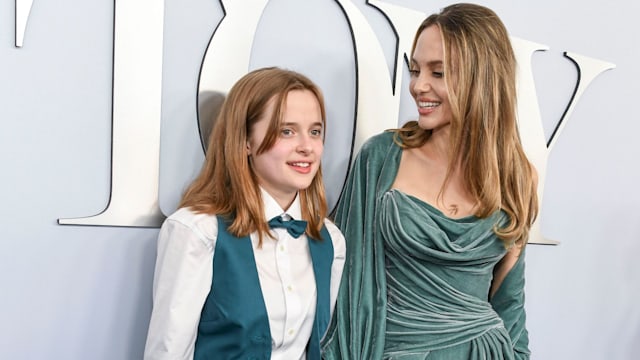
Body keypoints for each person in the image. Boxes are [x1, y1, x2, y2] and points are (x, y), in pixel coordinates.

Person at [321, 3, 538, 359]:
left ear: (481, 78)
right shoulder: (382, 157)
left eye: (438, 73)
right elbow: (345, 282)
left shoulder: (517, 176)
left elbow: (509, 302)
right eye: (415, 69)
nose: (418, 86)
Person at [143, 67, 346, 360]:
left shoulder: (331, 241)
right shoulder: (198, 231)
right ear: (246, 141)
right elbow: (168, 352)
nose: (307, 147)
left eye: (315, 132)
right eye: (286, 131)